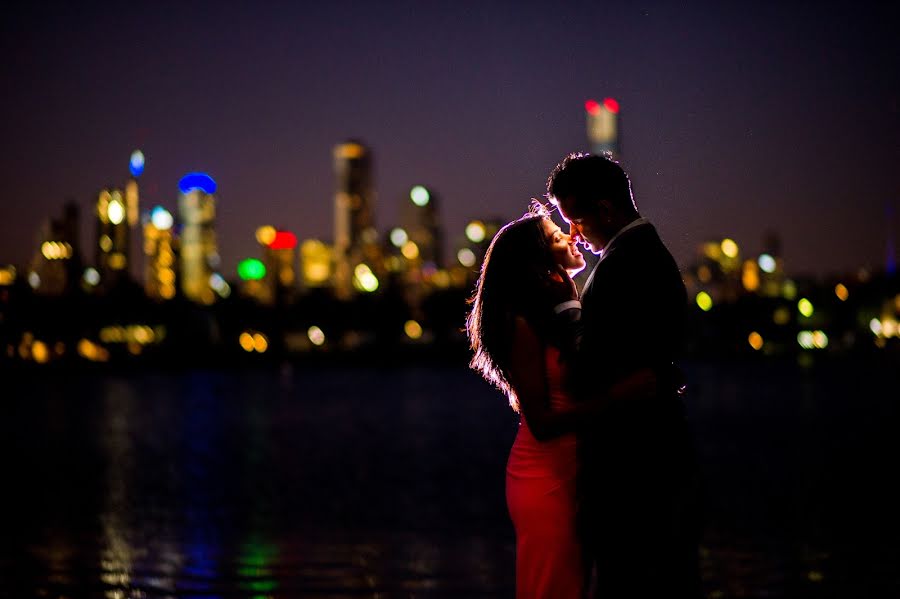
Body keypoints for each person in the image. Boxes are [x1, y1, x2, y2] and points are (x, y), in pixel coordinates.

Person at [466, 202, 656, 599]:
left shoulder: (565, 311)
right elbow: (542, 423)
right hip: (545, 477)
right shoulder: (523, 323)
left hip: (577, 470)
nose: (571, 235)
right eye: (556, 236)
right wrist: (623, 395)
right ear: (538, 262)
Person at [547, 151, 702, 598]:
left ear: (606, 209)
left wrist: (560, 312)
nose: (573, 232)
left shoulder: (624, 265)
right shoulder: (642, 256)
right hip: (655, 462)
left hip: (634, 472)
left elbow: (592, 366)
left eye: (575, 219)